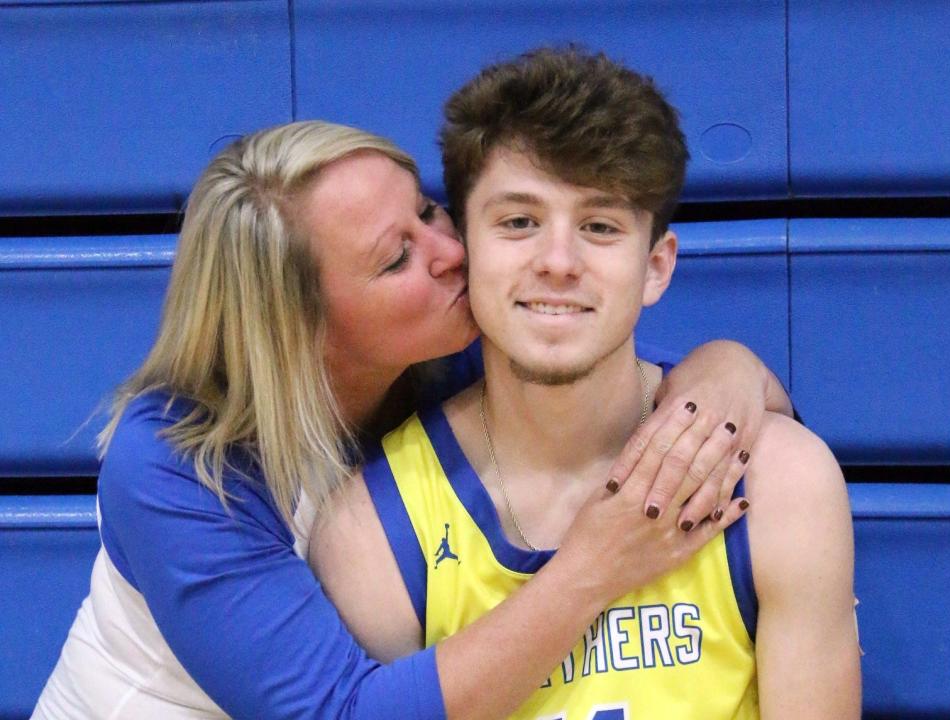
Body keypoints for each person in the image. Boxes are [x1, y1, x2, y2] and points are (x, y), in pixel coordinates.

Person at [34, 118, 793, 720]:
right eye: (398, 258)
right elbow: (343, 713)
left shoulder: (447, 354)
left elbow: (664, 380)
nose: (451, 250)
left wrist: (726, 366)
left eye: (429, 210)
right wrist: (593, 569)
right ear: (301, 325)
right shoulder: (173, 465)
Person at [311, 49, 860, 719]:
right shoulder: (372, 527)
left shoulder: (779, 484)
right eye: (519, 222)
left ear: (655, 267)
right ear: (465, 252)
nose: (559, 262)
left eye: (599, 227)